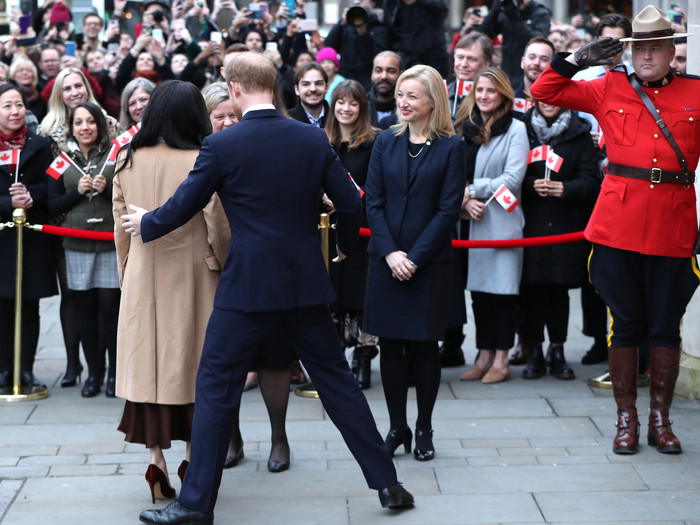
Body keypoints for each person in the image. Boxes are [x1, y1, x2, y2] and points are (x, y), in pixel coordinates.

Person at [124, 52, 414, 525]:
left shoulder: (224, 145)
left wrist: (147, 222)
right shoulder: (310, 138)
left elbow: (183, 206)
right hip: (304, 284)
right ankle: (388, 484)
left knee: (216, 387)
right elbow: (349, 202)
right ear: (275, 87)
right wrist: (341, 247)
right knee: (338, 384)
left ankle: (197, 504)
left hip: (246, 289)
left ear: (234, 89)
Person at [530, 5, 698, 455]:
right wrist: (581, 57)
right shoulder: (608, 86)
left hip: (673, 223)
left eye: (656, 48)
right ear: (630, 52)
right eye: (639, 48)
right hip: (617, 225)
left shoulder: (694, 93)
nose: (647, 57)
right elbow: (543, 88)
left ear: (670, 53)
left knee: (665, 326)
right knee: (624, 325)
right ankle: (627, 418)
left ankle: (661, 420)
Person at [112, 80, 230, 504]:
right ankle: (192, 460)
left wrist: (128, 275)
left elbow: (120, 229)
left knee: (150, 373)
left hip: (144, 274)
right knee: (197, 373)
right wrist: (222, 262)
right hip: (196, 278)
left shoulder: (127, 159)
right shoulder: (202, 157)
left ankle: (155, 460)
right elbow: (217, 224)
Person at [363, 65, 466, 461]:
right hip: (386, 259)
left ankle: (423, 428)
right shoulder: (385, 141)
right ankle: (397, 427)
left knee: (425, 348)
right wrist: (390, 252)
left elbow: (447, 210)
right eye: (400, 95)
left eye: (411, 96)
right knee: (390, 347)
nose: (402, 102)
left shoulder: (451, 147)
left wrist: (415, 258)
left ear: (431, 102)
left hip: (429, 263)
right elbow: (372, 201)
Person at [200, 80, 292, 473]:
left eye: (232, 116)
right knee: (226, 366)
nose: (225, 123)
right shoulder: (205, 155)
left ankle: (278, 437)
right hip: (215, 274)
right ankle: (232, 439)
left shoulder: (270, 147)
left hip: (265, 273)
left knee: (273, 357)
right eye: (217, 118)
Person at [455, 67, 528, 384]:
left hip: (501, 222)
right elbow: (452, 174)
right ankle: (483, 355)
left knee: (503, 294)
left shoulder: (516, 129)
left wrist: (474, 189)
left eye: (491, 91)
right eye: (480, 90)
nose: (484, 96)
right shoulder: (464, 127)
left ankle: (502, 358)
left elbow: (512, 180)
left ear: (503, 95)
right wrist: (463, 199)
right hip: (469, 221)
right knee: (479, 294)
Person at [518, 100, 599, 380]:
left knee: (558, 292)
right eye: (544, 99)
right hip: (529, 227)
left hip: (565, 226)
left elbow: (591, 181)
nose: (548, 104)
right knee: (531, 292)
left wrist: (565, 188)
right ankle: (535, 351)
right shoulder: (522, 128)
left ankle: (558, 349)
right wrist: (530, 185)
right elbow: (512, 174)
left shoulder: (579, 132)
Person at [47, 102, 120, 398]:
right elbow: (51, 205)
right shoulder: (62, 160)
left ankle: (115, 373)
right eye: (79, 123)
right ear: (72, 128)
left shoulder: (116, 155)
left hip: (109, 242)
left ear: (100, 126)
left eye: (91, 121)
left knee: (110, 311)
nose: (85, 127)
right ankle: (94, 374)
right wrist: (74, 193)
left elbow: (130, 194)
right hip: (76, 244)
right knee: (85, 311)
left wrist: (107, 188)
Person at [324, 79, 380, 390]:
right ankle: (337, 361)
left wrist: (352, 200)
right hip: (330, 229)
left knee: (360, 294)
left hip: (363, 230)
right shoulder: (322, 141)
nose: (346, 108)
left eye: (353, 103)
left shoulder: (375, 142)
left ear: (362, 108)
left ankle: (363, 357)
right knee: (334, 292)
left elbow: (378, 187)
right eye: (341, 102)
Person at [0, 84, 57, 390]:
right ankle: (3, 370)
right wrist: (9, 203)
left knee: (29, 306)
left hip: (30, 237)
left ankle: (25, 370)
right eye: (7, 105)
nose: (14, 111)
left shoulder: (39, 144)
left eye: (19, 105)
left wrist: (30, 197)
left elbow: (51, 187)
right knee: (3, 307)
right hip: (2, 237)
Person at [477, 0, 551, 88]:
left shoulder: (540, 13)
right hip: (507, 72)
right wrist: (494, 11)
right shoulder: (506, 10)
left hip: (530, 74)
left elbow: (538, 41)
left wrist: (514, 15)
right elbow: (483, 35)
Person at [287, 62, 329, 128]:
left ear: (326, 88)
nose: (313, 89)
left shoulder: (337, 118)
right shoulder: (286, 120)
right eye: (306, 84)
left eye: (318, 83)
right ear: (297, 90)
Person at [368, 50, 402, 127]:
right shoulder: (360, 106)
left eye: (391, 71)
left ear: (400, 74)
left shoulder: (408, 108)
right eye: (378, 71)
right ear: (372, 73)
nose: (384, 76)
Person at [9, 58, 47, 122]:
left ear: (34, 75)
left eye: (28, 70)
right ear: (14, 75)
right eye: (20, 70)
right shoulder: (9, 93)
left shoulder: (41, 92)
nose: (25, 73)